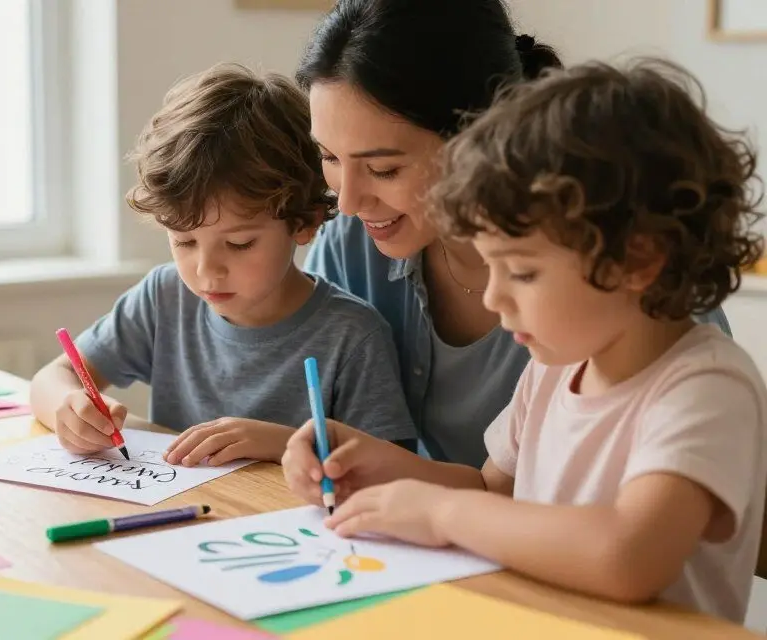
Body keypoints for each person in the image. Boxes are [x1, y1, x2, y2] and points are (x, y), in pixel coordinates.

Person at [282, 58, 767, 623]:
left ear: (638, 258)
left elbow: (630, 555)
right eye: (492, 269)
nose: (494, 298)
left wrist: (440, 513)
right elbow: (491, 489)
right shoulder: (557, 364)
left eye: (524, 273)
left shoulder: (706, 386)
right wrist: (383, 467)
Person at [297, 0, 732, 468]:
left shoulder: (616, 264)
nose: (347, 202)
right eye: (330, 158)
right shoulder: (350, 241)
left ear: (482, 135)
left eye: (384, 168)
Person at [29, 63, 416, 467]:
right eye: (184, 241)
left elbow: (393, 466)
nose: (206, 271)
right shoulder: (164, 298)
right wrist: (70, 406)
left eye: (239, 243)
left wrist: (282, 442)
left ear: (305, 222)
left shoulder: (352, 336)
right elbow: (52, 378)